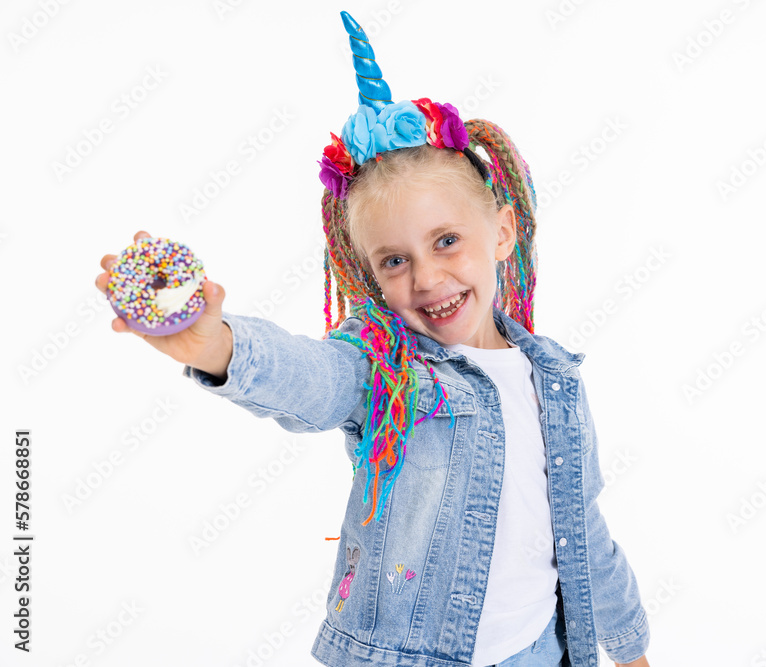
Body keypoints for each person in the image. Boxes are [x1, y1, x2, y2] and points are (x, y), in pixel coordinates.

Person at [95, 11, 650, 667]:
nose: (427, 277)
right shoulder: (387, 366)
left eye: (447, 241)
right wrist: (219, 347)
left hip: (540, 651)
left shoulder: (555, 379)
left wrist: (630, 648)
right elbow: (315, 378)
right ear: (370, 272)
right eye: (394, 260)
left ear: (502, 232)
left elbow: (583, 530)